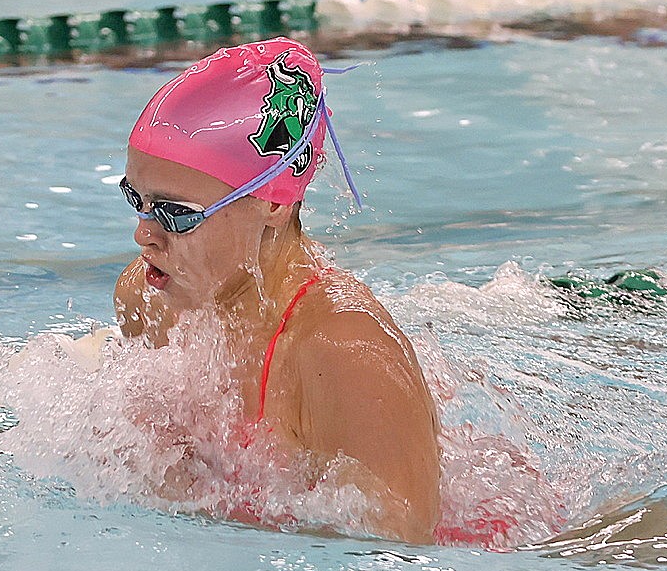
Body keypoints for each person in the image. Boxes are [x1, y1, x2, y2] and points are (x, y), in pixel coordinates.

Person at [112, 37, 440, 544]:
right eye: (137, 198)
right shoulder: (148, 298)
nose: (144, 233)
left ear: (271, 204)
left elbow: (400, 559)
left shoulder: (344, 351)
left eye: (177, 214)